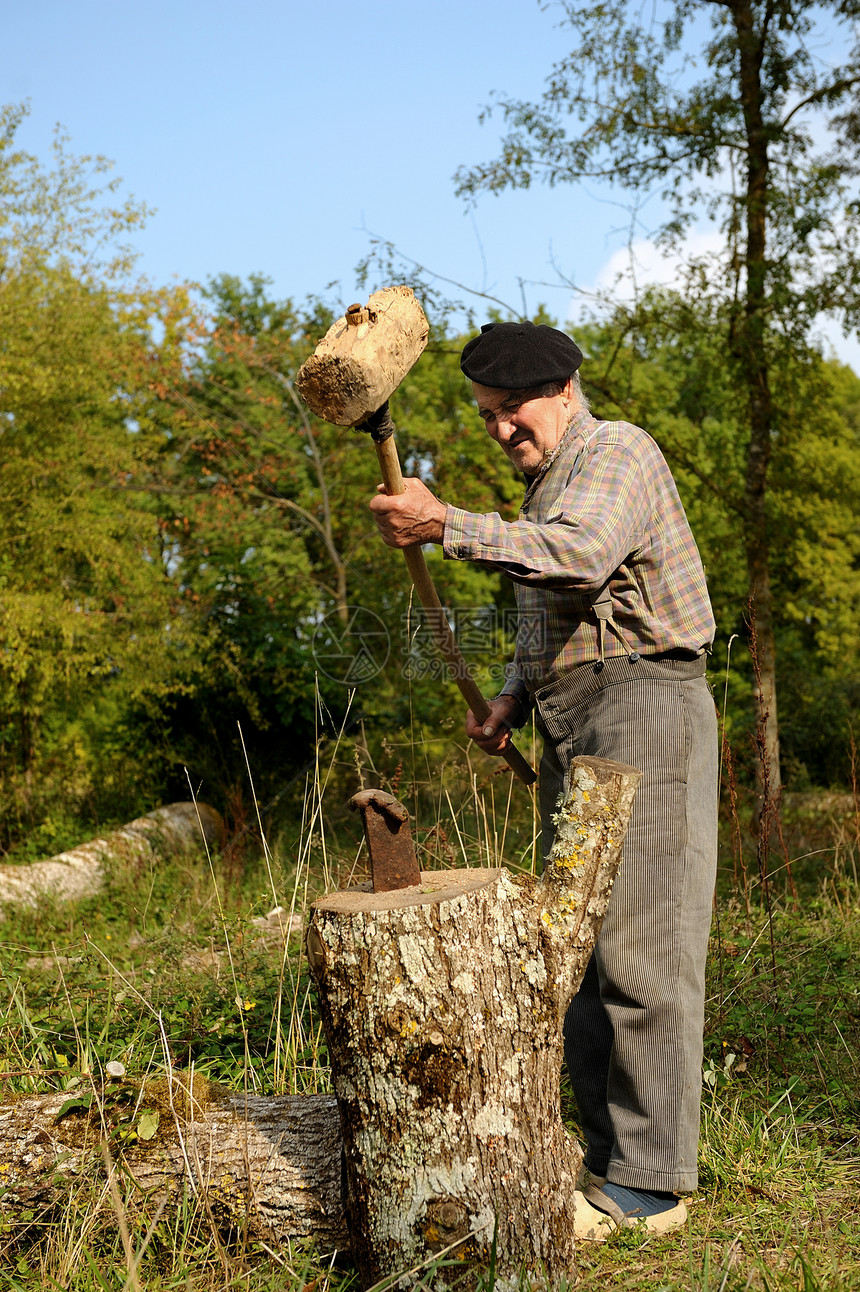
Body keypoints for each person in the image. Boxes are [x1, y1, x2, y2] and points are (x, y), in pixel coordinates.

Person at [368, 321, 718, 1237]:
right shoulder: (545, 486)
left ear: (562, 389)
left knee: (645, 951)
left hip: (645, 703)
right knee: (581, 947)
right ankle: (607, 1159)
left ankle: (651, 1182)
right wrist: (513, 701)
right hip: (572, 712)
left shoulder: (615, 453)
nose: (499, 428)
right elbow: (557, 618)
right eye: (486, 414)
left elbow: (585, 554)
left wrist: (445, 523)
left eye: (510, 409)